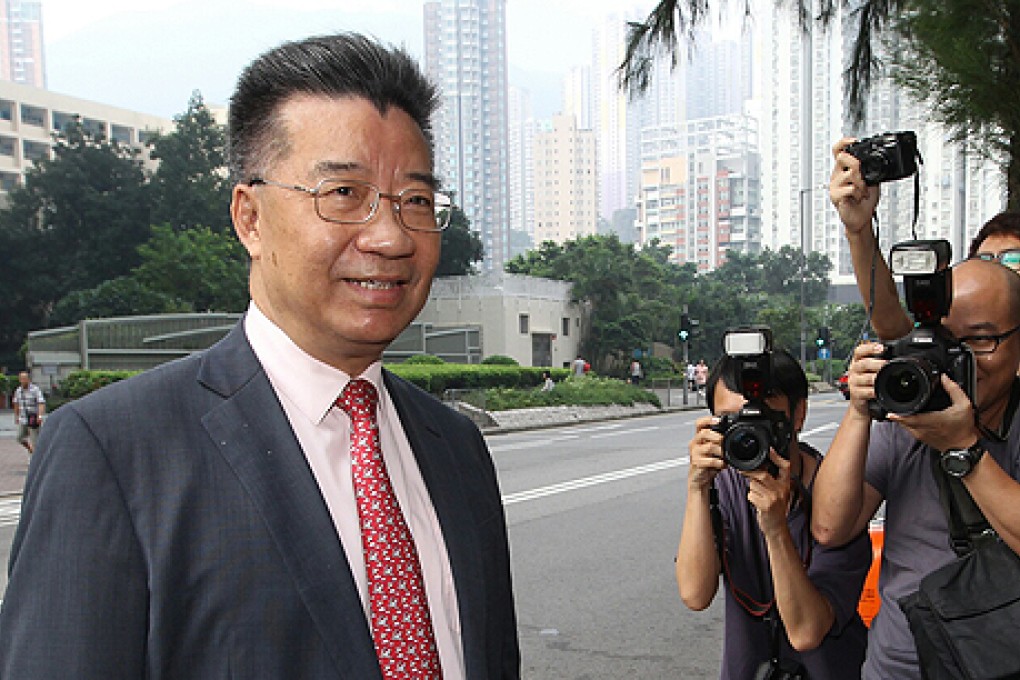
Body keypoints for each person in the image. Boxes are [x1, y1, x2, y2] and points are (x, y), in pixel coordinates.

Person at [0, 33, 520, 679]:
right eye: (344, 194)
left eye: (414, 201)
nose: (390, 236)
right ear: (249, 217)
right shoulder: (113, 452)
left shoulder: (457, 447)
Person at [812, 258, 1020, 679]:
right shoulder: (906, 417)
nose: (960, 360)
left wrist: (963, 446)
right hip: (903, 664)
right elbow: (831, 526)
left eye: (980, 341)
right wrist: (860, 409)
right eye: (947, 341)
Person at [678, 348, 870, 679]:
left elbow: (807, 632)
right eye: (732, 421)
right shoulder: (723, 485)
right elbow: (695, 594)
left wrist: (776, 528)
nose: (749, 436)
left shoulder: (837, 497)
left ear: (799, 416)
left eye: (763, 419)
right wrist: (697, 488)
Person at [830, 136, 1020, 341]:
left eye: (1012, 260)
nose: (994, 271)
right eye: (984, 260)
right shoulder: (955, 357)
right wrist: (859, 231)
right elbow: (893, 328)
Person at [12, 371, 44, 454]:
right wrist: (16, 416)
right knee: (19, 437)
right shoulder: (18, 390)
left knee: (34, 440)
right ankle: (30, 449)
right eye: (21, 379)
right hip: (23, 418)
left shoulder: (35, 389)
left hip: (33, 417)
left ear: (28, 379)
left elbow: (41, 403)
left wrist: (40, 416)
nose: (23, 381)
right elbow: (16, 403)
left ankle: (34, 458)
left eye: (25, 379)